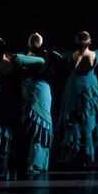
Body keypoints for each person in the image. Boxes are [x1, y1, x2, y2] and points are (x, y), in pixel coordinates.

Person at [0, 37, 45, 180]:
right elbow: (40, 61)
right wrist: (18, 61)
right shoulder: (13, 61)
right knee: (8, 134)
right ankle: (7, 171)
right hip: (8, 103)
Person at [57, 31, 98, 167]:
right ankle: (86, 155)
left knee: (74, 119)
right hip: (90, 86)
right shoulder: (96, 55)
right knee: (88, 118)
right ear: (89, 42)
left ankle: (76, 155)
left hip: (74, 87)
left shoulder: (70, 55)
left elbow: (57, 59)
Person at [21, 33, 63, 173]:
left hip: (35, 89)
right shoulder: (49, 55)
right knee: (37, 126)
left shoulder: (27, 56)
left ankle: (35, 162)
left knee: (35, 126)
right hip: (36, 90)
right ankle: (37, 162)